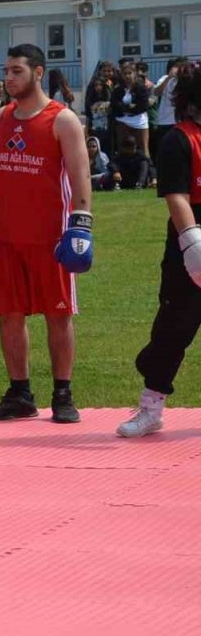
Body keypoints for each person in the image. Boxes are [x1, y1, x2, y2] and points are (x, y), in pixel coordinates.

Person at [0, 44, 93, 424]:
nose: (8, 78)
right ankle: (20, 393)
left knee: (59, 315)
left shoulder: (62, 119)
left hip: (51, 237)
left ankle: (63, 393)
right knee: (8, 314)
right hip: (7, 235)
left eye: (16, 71)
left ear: (38, 73)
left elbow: (79, 173)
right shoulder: (3, 117)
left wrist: (81, 223)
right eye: (6, 71)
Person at [118, 62, 201, 437]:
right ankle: (151, 408)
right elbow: (176, 196)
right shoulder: (179, 139)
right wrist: (193, 244)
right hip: (190, 246)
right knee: (174, 329)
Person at [110, 63, 151, 156]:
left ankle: (148, 169)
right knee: (122, 149)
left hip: (139, 122)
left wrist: (127, 108)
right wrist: (129, 107)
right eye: (125, 73)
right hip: (122, 121)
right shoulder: (118, 89)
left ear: (134, 74)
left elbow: (143, 106)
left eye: (129, 73)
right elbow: (115, 105)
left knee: (144, 149)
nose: (127, 76)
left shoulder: (141, 88)